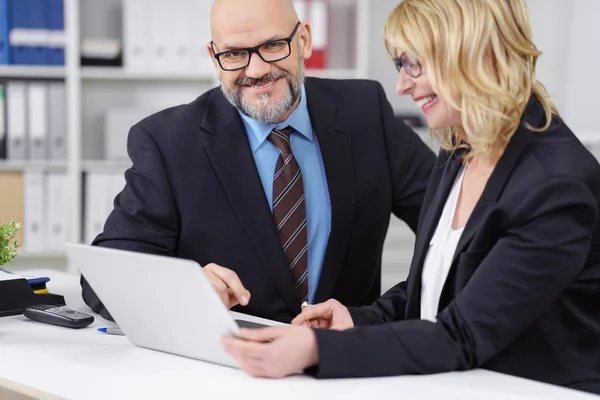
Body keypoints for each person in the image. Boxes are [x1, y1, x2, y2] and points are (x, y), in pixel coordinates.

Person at [220, 0, 600, 394]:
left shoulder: (556, 186)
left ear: (474, 52)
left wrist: (319, 349)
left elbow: (464, 333)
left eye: (413, 64)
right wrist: (356, 320)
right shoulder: (462, 147)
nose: (402, 85)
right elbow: (435, 291)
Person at [80, 0, 435, 323]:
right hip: (228, 372)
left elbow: (455, 233)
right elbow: (103, 278)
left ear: (304, 40)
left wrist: (376, 317)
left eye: (272, 45)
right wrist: (184, 288)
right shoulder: (167, 142)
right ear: (213, 56)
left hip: (347, 369)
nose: (257, 69)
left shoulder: (365, 112)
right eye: (234, 54)